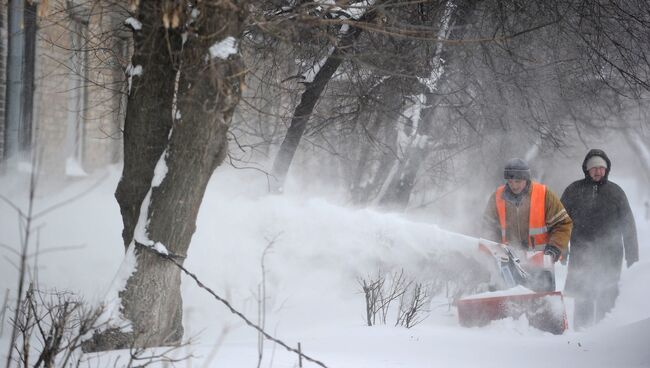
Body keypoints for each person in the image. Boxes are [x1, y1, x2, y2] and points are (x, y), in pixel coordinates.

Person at [561, 149, 639, 330]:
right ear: (587, 169)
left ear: (607, 170)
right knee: (583, 297)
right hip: (582, 254)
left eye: (601, 168)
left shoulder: (616, 192)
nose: (598, 171)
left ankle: (605, 333)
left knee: (607, 295)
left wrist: (632, 256)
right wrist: (562, 251)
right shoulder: (573, 191)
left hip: (610, 255)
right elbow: (561, 223)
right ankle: (582, 334)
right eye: (594, 168)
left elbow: (628, 224)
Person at [482, 158, 572, 269]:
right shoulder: (497, 197)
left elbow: (563, 224)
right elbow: (488, 227)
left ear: (526, 179)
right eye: (510, 182)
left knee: (540, 287)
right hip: (509, 264)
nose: (514, 186)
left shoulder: (544, 195)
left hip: (541, 265)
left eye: (518, 181)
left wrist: (555, 247)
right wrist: (494, 249)